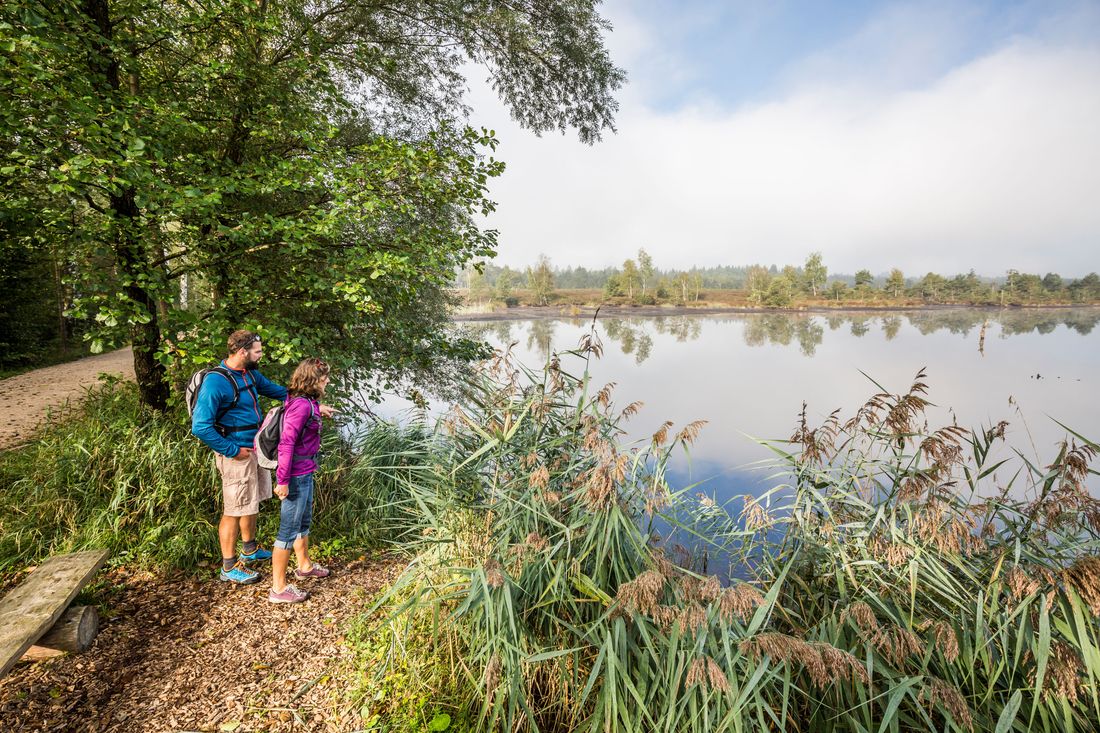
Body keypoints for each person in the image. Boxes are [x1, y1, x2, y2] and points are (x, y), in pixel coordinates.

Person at [190, 330, 332, 584]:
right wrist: (232, 450)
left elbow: (282, 392)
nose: (261, 354)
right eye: (257, 351)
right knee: (234, 508)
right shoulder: (216, 382)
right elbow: (200, 426)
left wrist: (312, 406)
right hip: (235, 453)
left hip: (254, 449)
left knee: (251, 501)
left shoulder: (250, 374)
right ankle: (229, 566)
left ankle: (250, 548)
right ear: (242, 351)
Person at [269, 357, 333, 603]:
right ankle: (278, 588)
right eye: (323, 377)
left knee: (303, 522)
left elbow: (306, 416)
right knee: (287, 530)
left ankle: (304, 566)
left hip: (306, 471)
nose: (327, 381)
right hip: (294, 475)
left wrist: (321, 409)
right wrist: (282, 481)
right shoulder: (302, 406)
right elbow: (286, 443)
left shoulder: (307, 402)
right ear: (312, 380)